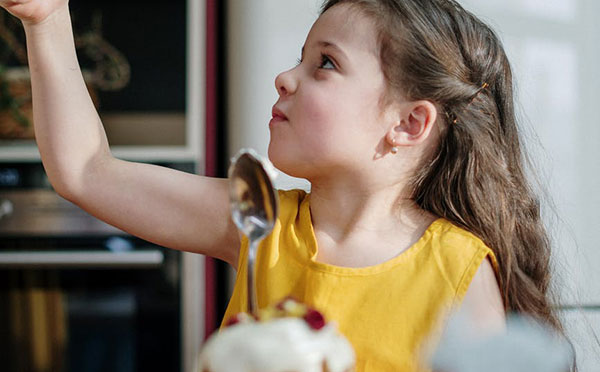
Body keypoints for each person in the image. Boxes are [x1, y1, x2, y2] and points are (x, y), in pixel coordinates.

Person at [0, 0, 567, 370]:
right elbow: (86, 172)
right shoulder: (257, 220)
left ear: (408, 123)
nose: (284, 76)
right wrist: (46, 19)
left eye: (324, 64)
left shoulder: (460, 272)